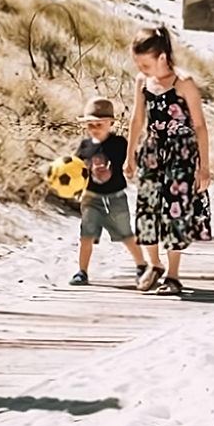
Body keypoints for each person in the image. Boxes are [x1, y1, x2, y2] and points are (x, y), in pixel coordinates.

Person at [125, 26, 212, 296]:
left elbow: (200, 126)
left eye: (145, 63)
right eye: (138, 64)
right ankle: (155, 264)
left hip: (181, 155)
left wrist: (204, 168)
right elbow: (137, 120)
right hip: (151, 152)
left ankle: (173, 275)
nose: (141, 69)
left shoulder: (184, 83)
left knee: (176, 212)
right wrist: (129, 156)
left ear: (162, 56)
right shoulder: (142, 81)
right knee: (146, 209)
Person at [70, 97, 147, 286]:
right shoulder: (85, 146)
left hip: (116, 197)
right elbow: (76, 168)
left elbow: (133, 161)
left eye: (99, 124)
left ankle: (142, 266)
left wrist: (133, 168)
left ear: (111, 123)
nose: (94, 128)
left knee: (126, 234)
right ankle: (82, 271)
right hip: (91, 197)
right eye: (90, 124)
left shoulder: (119, 144)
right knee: (86, 235)